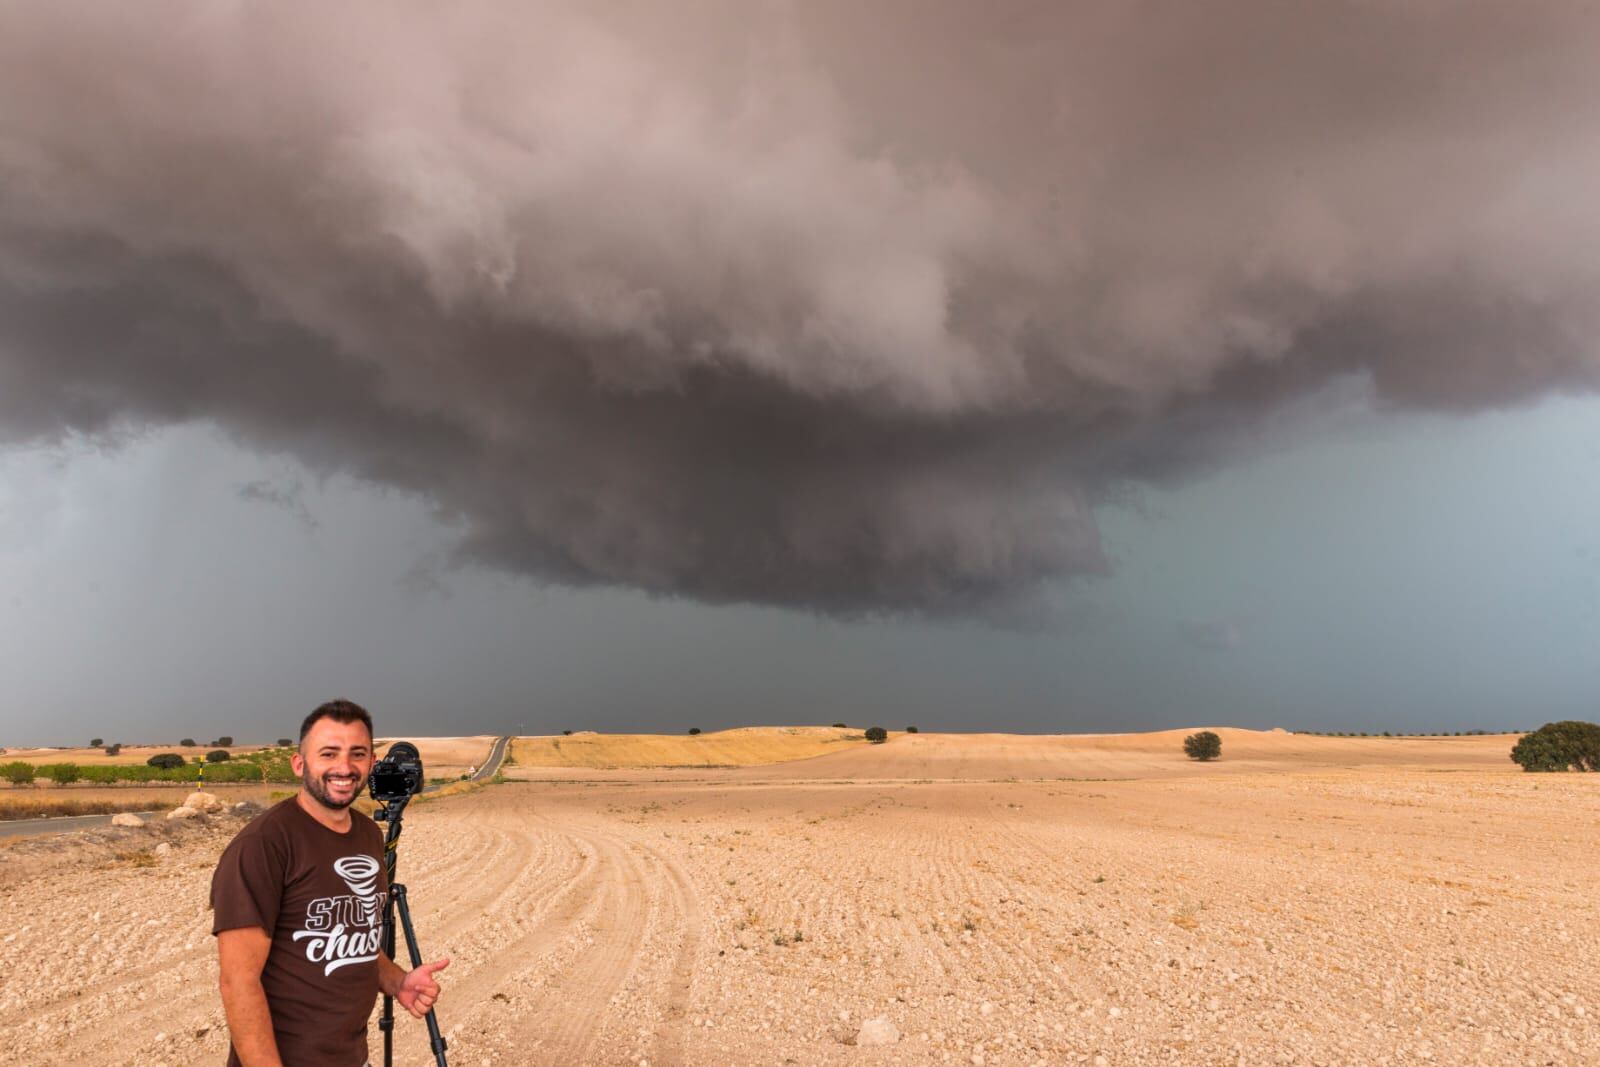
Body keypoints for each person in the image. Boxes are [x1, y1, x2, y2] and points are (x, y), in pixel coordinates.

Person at [211, 700, 449, 1066]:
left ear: (371, 764)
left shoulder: (369, 835)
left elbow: (357, 935)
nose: (344, 767)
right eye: (328, 753)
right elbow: (238, 983)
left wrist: (398, 981)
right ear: (299, 763)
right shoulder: (263, 845)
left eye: (357, 754)